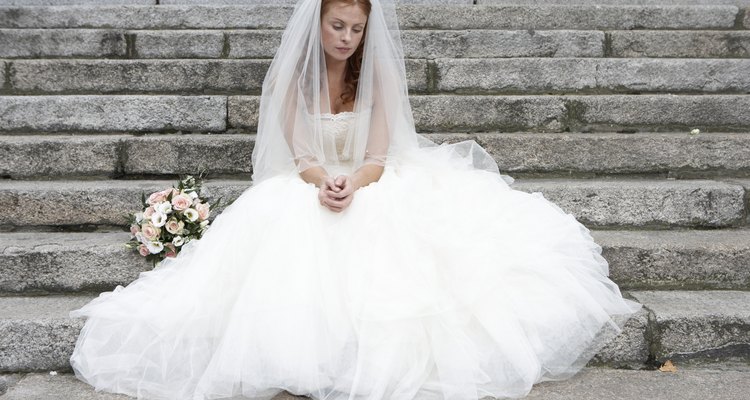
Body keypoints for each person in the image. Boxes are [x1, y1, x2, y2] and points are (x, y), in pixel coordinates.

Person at [69, 0, 641, 399]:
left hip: (372, 178)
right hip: (311, 182)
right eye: (337, 25)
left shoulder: (377, 78)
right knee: (290, 223)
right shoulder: (294, 80)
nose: (346, 37)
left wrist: (352, 185)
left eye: (356, 28)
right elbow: (299, 155)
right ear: (317, 23)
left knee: (389, 231)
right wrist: (321, 182)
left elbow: (379, 156)